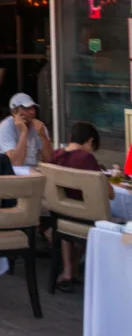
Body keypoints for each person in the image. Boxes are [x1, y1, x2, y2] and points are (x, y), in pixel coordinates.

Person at [50, 121, 114, 292]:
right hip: (86, 219)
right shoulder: (86, 159)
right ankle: (79, 270)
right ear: (90, 141)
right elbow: (110, 193)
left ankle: (68, 271)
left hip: (62, 216)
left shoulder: (56, 155)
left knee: (68, 218)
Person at [0, 92, 53, 166]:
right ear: (14, 112)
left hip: (31, 168)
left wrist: (43, 136)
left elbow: (49, 160)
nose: (32, 111)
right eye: (26, 108)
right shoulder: (5, 127)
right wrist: (24, 132)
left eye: (33, 108)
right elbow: (15, 163)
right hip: (8, 170)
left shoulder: (39, 127)